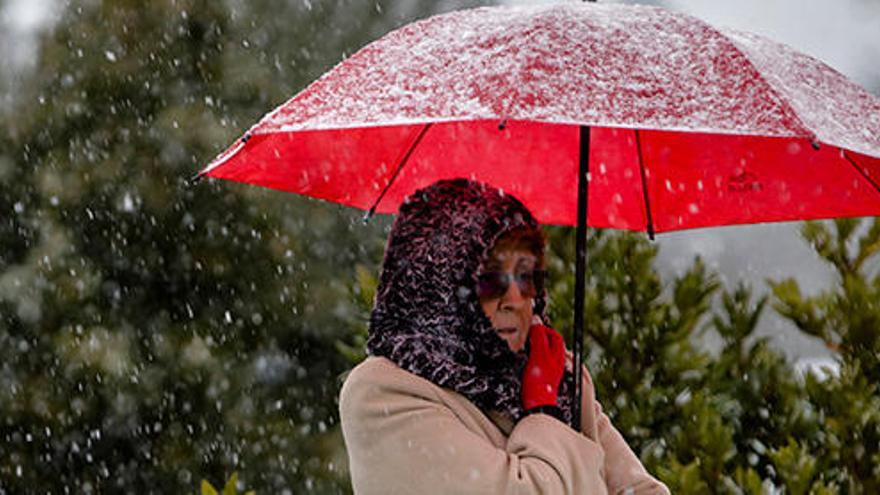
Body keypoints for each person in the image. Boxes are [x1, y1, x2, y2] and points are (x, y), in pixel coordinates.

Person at [340, 179, 669, 494]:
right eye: (490, 279)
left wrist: (551, 394)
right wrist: (542, 412)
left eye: (527, 277)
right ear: (438, 290)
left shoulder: (558, 377)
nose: (515, 299)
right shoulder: (383, 392)